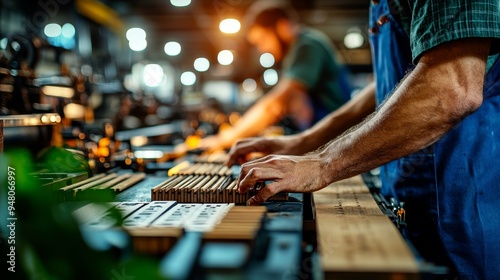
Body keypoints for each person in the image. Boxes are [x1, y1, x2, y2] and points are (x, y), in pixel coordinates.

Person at [228, 1, 500, 279]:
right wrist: (305, 143)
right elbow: (392, 85)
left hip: (463, 192)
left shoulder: (307, 44)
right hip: (409, 188)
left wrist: (323, 163)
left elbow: (451, 87)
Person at [178, 1, 350, 152]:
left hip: (339, 139)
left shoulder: (307, 45)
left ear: (282, 27)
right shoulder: (297, 51)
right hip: (328, 138)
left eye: (262, 40)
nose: (263, 49)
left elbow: (275, 103)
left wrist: (225, 139)